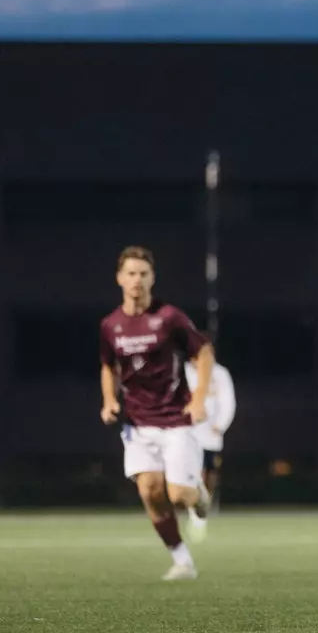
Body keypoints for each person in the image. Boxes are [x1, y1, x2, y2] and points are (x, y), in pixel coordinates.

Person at [99, 246, 214, 580]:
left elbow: (204, 353)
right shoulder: (110, 325)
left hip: (175, 420)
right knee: (149, 490)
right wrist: (108, 400)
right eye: (131, 273)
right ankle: (182, 561)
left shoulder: (169, 317)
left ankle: (199, 495)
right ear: (120, 278)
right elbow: (108, 366)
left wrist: (199, 399)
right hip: (137, 423)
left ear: (152, 278)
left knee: (178, 495)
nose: (137, 280)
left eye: (143, 274)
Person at [186, 357, 236, 515]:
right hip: (188, 431)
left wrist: (221, 424)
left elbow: (228, 400)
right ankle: (192, 503)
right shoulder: (183, 371)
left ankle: (208, 501)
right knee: (192, 468)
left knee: (211, 469)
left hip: (210, 431)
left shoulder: (219, 373)